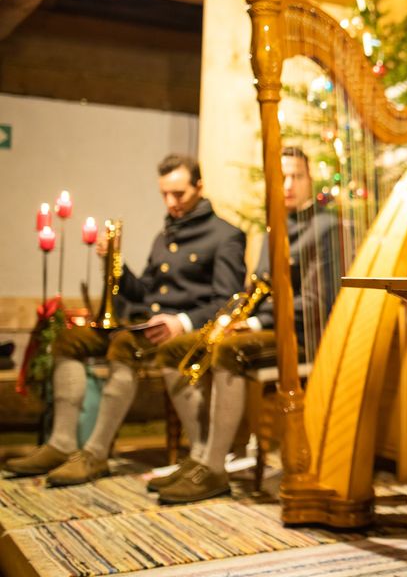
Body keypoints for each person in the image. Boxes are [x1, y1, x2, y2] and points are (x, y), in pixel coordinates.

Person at [5, 155, 246, 486]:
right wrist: (114, 263)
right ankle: (61, 443)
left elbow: (229, 301)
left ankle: (96, 453)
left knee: (123, 346)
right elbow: (144, 292)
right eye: (164, 194)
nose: (170, 202)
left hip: (181, 332)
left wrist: (182, 322)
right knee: (68, 341)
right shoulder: (166, 236)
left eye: (179, 194)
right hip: (144, 323)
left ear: (199, 187)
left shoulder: (225, 235)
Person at [151, 146, 340, 503]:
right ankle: (200, 456)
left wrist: (254, 322)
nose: (287, 185)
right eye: (280, 177)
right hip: (268, 327)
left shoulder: (327, 228)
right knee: (179, 348)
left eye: (296, 176)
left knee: (229, 350)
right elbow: (261, 288)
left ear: (309, 180)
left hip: (303, 337)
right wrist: (235, 315)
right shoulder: (274, 227)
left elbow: (315, 304)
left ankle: (216, 468)